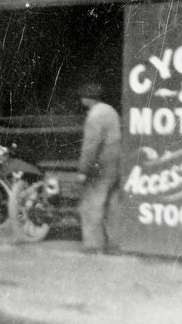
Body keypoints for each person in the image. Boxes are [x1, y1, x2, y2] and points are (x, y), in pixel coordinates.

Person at [77, 82, 121, 252]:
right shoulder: (111, 111)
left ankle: (93, 245)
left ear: (87, 99)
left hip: (100, 165)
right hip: (115, 164)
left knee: (91, 204)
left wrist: (83, 170)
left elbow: (90, 146)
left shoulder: (94, 116)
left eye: (82, 97)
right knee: (113, 205)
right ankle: (114, 244)